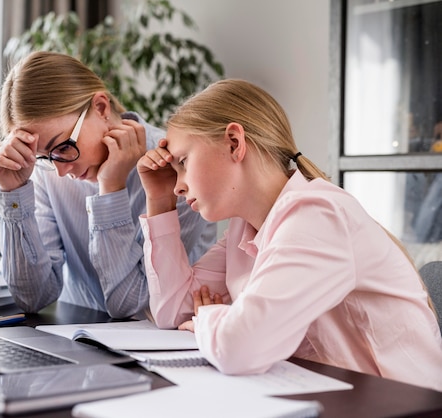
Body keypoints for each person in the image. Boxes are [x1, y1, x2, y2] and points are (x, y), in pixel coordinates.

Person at [136, 79, 442, 391]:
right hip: (334, 396)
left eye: (184, 163)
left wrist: (208, 317)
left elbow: (240, 347)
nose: (178, 185)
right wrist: (160, 202)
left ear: (233, 143)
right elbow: (173, 310)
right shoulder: (245, 230)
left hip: (403, 405)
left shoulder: (317, 215)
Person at [0, 51, 216, 319]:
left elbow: (131, 305)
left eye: (62, 146)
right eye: (42, 157)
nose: (61, 170)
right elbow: (33, 297)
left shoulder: (176, 168)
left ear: (101, 108)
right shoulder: (48, 171)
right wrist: (13, 193)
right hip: (77, 340)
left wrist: (111, 189)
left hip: (162, 346)